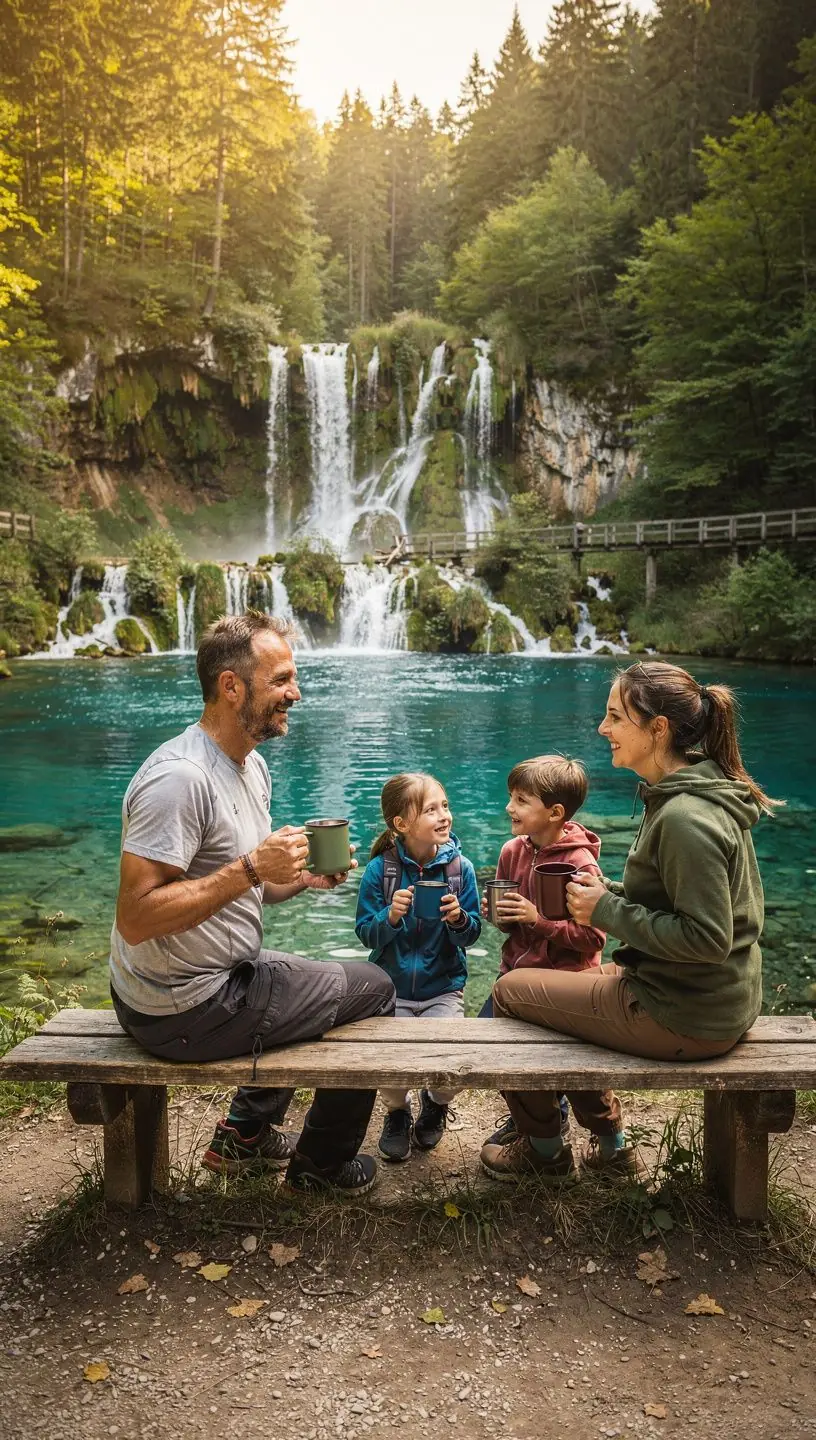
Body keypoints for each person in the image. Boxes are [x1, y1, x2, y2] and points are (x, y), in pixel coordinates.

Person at [110, 611, 395, 1196]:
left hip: (203, 983)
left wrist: (298, 878)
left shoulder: (250, 767)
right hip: (180, 1009)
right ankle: (319, 1170)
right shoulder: (181, 779)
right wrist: (249, 868)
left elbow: (246, 886)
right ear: (231, 686)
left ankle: (243, 1136)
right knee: (375, 991)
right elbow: (136, 918)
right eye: (282, 679)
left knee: (298, 976)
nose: (296, 692)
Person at [480, 660, 774, 1186]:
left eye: (615, 716)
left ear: (657, 729)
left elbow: (707, 940)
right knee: (561, 991)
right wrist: (604, 894)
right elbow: (687, 908)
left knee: (506, 993)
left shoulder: (686, 818)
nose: (603, 728)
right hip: (710, 999)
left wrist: (607, 911)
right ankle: (609, 1145)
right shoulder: (690, 795)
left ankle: (545, 1151)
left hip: (684, 1014)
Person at [478, 755, 619, 1182]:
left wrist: (538, 920)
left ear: (555, 813)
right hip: (515, 980)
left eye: (521, 800)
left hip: (569, 987)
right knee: (497, 1050)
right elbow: (508, 924)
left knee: (580, 1071)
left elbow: (594, 941)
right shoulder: (511, 851)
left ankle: (613, 1145)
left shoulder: (580, 865)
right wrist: (498, 914)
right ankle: (546, 1146)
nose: (509, 807)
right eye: (511, 797)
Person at [355, 773, 481, 1162]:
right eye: (431, 809)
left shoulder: (461, 870)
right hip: (392, 990)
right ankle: (397, 1112)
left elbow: (472, 935)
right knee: (390, 1065)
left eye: (445, 806)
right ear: (402, 824)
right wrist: (390, 917)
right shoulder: (381, 871)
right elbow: (365, 933)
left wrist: (459, 919)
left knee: (453, 1065)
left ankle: (436, 1103)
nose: (444, 815)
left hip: (442, 987)